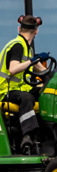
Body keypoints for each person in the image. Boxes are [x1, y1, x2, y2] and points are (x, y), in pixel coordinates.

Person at [2, 16, 42, 151]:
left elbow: (40, 69)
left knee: (46, 91)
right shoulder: (18, 46)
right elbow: (13, 69)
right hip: (6, 90)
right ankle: (28, 135)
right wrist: (32, 61)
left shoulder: (28, 49)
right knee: (27, 98)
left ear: (19, 29)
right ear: (36, 31)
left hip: (21, 88)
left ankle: (46, 133)